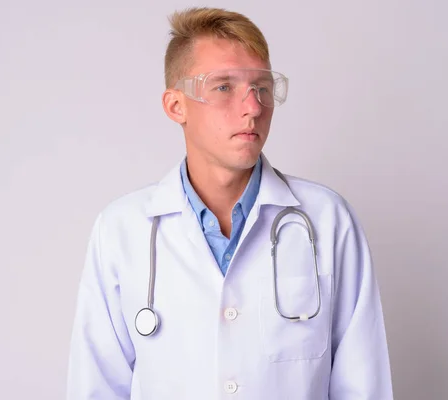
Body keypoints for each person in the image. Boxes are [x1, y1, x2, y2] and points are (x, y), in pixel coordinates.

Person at [66, 6, 393, 400]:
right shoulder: (122, 230)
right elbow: (97, 388)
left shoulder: (327, 221)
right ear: (176, 106)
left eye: (263, 88)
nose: (253, 107)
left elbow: (364, 385)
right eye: (224, 86)